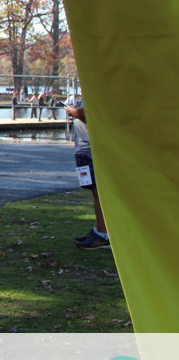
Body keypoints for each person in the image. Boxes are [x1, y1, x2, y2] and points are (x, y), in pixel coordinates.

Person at [66, 98, 109, 250]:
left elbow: (92, 113)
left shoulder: (98, 94)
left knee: (99, 193)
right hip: (84, 151)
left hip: (91, 150)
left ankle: (103, 234)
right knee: (94, 191)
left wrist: (74, 111)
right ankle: (98, 228)